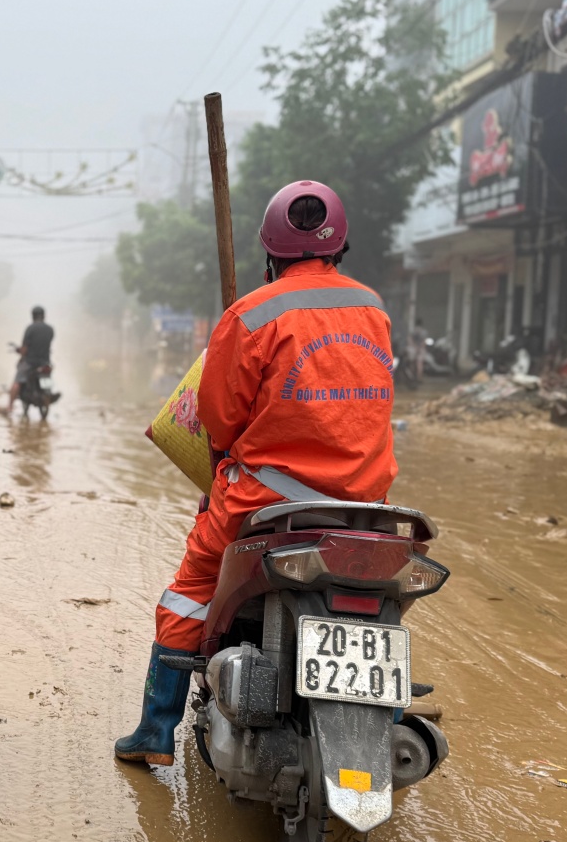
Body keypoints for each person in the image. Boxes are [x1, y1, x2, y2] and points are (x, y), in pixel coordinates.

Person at [115, 180, 398, 766]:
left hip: (269, 502)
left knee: (190, 591)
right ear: (339, 246)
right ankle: (388, 718)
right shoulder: (374, 309)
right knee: (385, 601)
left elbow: (218, 420)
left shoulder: (251, 314)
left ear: (271, 251)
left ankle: (154, 733)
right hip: (366, 506)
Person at [9, 305, 60, 407]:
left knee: (17, 382)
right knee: (47, 376)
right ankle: (48, 393)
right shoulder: (50, 329)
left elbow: (24, 349)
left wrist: (20, 351)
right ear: (44, 316)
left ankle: (9, 407)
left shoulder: (30, 328)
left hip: (30, 363)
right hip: (45, 362)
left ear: (32, 316)